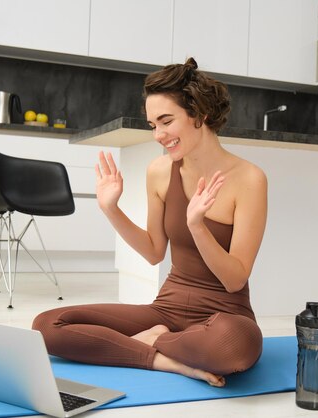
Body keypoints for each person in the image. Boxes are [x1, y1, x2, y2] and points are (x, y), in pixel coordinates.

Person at [32, 57, 268, 387]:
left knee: (232, 347)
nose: (158, 134)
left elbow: (234, 280)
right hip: (166, 311)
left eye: (166, 121)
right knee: (47, 324)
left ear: (200, 114)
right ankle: (162, 356)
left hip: (224, 316)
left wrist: (197, 226)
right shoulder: (159, 171)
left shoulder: (249, 179)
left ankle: (153, 341)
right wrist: (110, 209)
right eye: (152, 124)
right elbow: (155, 251)